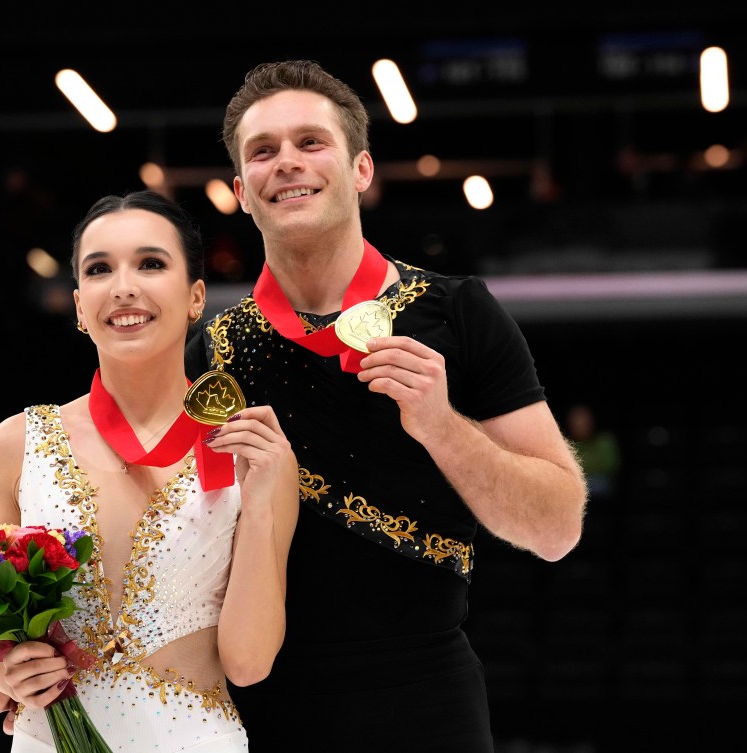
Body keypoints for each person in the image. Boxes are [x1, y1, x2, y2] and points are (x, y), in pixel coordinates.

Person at [183, 60, 588, 751]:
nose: (286, 162)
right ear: (240, 193)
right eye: (262, 151)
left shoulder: (459, 312)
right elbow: (182, 549)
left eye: (310, 142)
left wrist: (440, 425)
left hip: (426, 698)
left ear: (361, 170)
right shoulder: (209, 353)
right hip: (261, 704)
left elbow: (555, 527)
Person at [0, 190, 299, 752]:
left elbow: (249, 662)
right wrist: (3, 673)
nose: (123, 286)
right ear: (77, 305)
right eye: (99, 269)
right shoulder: (16, 443)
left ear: (196, 297)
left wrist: (263, 496)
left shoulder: (252, 452)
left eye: (150, 263)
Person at [564, 403, 621, 500]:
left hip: (601, 483)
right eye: (576, 420)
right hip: (575, 484)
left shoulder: (604, 441)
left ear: (591, 421)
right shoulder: (565, 445)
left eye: (583, 420)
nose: (580, 424)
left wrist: (584, 467)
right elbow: (566, 469)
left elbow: (611, 465)